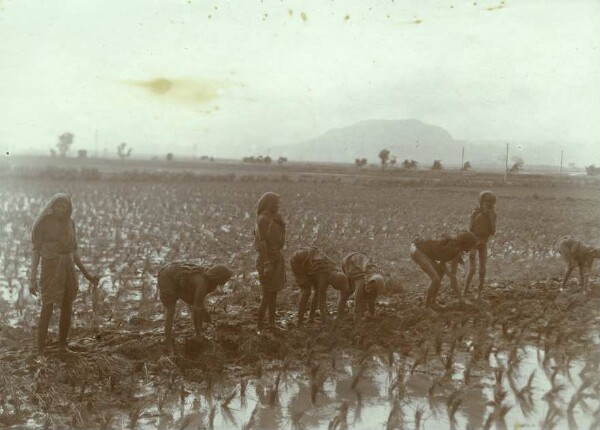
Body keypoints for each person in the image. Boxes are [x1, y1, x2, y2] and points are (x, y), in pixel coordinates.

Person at [30, 193, 100, 357]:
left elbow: (74, 252)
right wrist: (32, 279)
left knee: (67, 306)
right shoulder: (44, 224)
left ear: (68, 209)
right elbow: (36, 251)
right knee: (47, 306)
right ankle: (40, 352)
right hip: (50, 268)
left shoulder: (70, 223)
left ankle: (62, 346)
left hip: (68, 268)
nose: (60, 210)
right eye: (57, 206)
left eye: (64, 207)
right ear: (52, 206)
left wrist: (88, 275)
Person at [157, 262, 233, 354]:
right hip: (167, 275)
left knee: (196, 303)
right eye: (225, 279)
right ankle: (168, 343)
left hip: (176, 273)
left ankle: (197, 334)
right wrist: (199, 335)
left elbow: (199, 300)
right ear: (218, 277)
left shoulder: (211, 282)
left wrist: (202, 309)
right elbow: (196, 309)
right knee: (170, 310)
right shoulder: (202, 283)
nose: (225, 282)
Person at [410, 232, 478, 312]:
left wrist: (460, 298)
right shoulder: (450, 247)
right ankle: (426, 307)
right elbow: (443, 266)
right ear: (465, 244)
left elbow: (452, 275)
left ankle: (433, 302)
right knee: (435, 278)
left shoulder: (457, 252)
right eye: (471, 246)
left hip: (425, 252)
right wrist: (460, 296)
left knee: (440, 273)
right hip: (417, 249)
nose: (471, 249)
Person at [290, 246, 350, 324]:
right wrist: (324, 320)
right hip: (298, 261)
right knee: (306, 291)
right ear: (335, 282)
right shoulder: (324, 278)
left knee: (316, 292)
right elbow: (321, 300)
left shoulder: (334, 269)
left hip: (310, 263)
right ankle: (299, 320)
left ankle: (311, 319)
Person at [254, 192, 286, 330]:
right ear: (268, 204)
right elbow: (262, 243)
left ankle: (272, 324)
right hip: (267, 259)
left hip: (277, 258)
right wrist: (266, 263)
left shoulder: (276, 218)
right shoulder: (262, 219)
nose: (278, 206)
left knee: (274, 294)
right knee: (267, 295)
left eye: (278, 204)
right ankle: (259, 327)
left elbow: (280, 239)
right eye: (275, 204)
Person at [464, 191, 497, 299]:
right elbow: (470, 229)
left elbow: (492, 231)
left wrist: (488, 217)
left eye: (490, 202)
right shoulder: (475, 213)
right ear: (481, 201)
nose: (487, 204)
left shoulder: (493, 215)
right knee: (472, 269)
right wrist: (472, 244)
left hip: (483, 242)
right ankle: (464, 294)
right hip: (473, 243)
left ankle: (479, 293)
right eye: (485, 201)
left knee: (482, 268)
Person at [342, 252, 386, 321]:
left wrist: (371, 313)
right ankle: (341, 315)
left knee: (369, 297)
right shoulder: (361, 282)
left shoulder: (377, 280)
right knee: (347, 294)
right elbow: (357, 302)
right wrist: (358, 321)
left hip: (365, 275)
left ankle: (367, 314)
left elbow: (372, 298)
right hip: (351, 270)